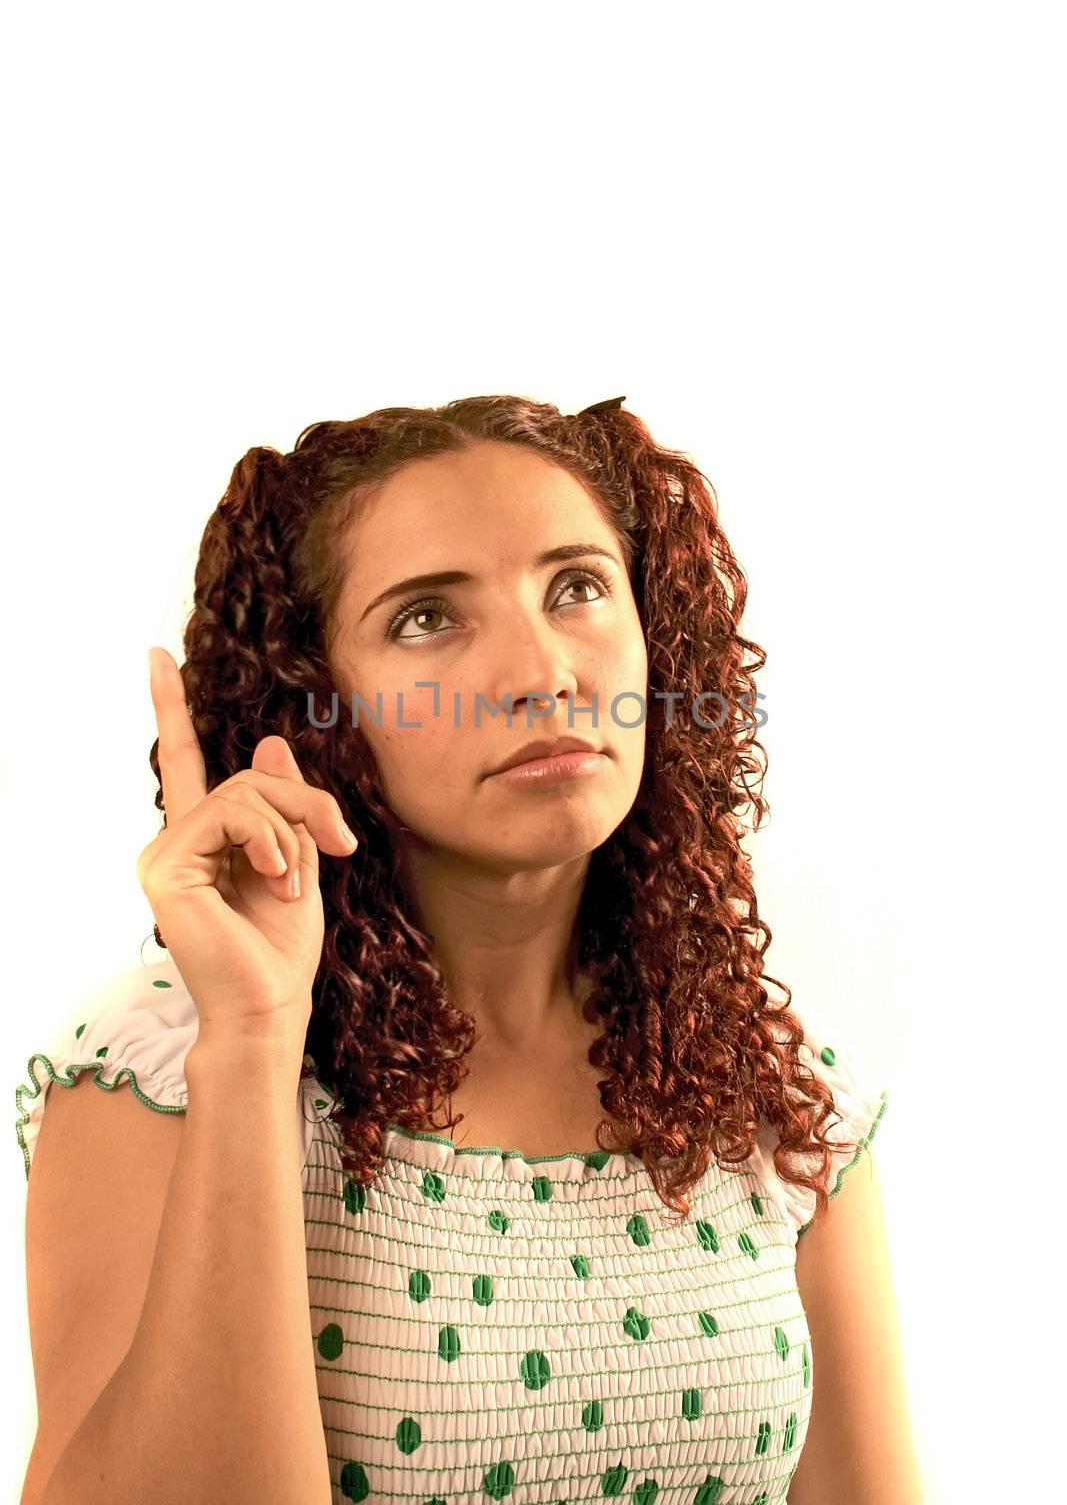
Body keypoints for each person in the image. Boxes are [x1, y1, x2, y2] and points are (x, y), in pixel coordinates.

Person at [16, 394, 923, 1504]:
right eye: (425, 618)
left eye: (577, 587)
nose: (542, 669)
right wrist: (254, 1041)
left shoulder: (776, 1089)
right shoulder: (157, 1074)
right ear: (313, 705)